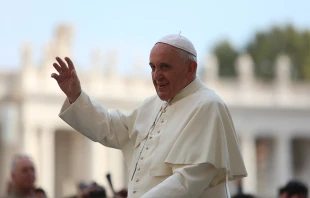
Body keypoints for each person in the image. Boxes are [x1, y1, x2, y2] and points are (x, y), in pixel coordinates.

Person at [51, 34, 247, 198]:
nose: (156, 75)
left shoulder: (208, 105)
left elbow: (189, 179)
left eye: (165, 67)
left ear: (190, 69)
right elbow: (111, 128)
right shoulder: (151, 105)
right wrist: (75, 95)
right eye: (153, 67)